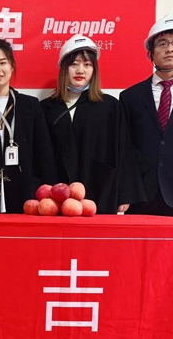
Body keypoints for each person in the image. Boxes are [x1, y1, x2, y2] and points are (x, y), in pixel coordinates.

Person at [41, 35, 144, 214]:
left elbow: (124, 150)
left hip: (99, 190)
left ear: (94, 70)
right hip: (57, 194)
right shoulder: (46, 108)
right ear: (64, 69)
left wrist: (125, 193)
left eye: (87, 64)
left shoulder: (110, 107)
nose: (80, 70)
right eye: (74, 64)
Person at [121, 15, 173, 218]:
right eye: (162, 43)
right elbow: (126, 146)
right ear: (150, 53)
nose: (170, 49)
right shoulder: (130, 96)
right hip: (141, 192)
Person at [0, 39, 57, 213]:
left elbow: (44, 153)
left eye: (2, 63)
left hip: (25, 192)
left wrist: (48, 193)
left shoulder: (30, 106)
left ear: (12, 66)